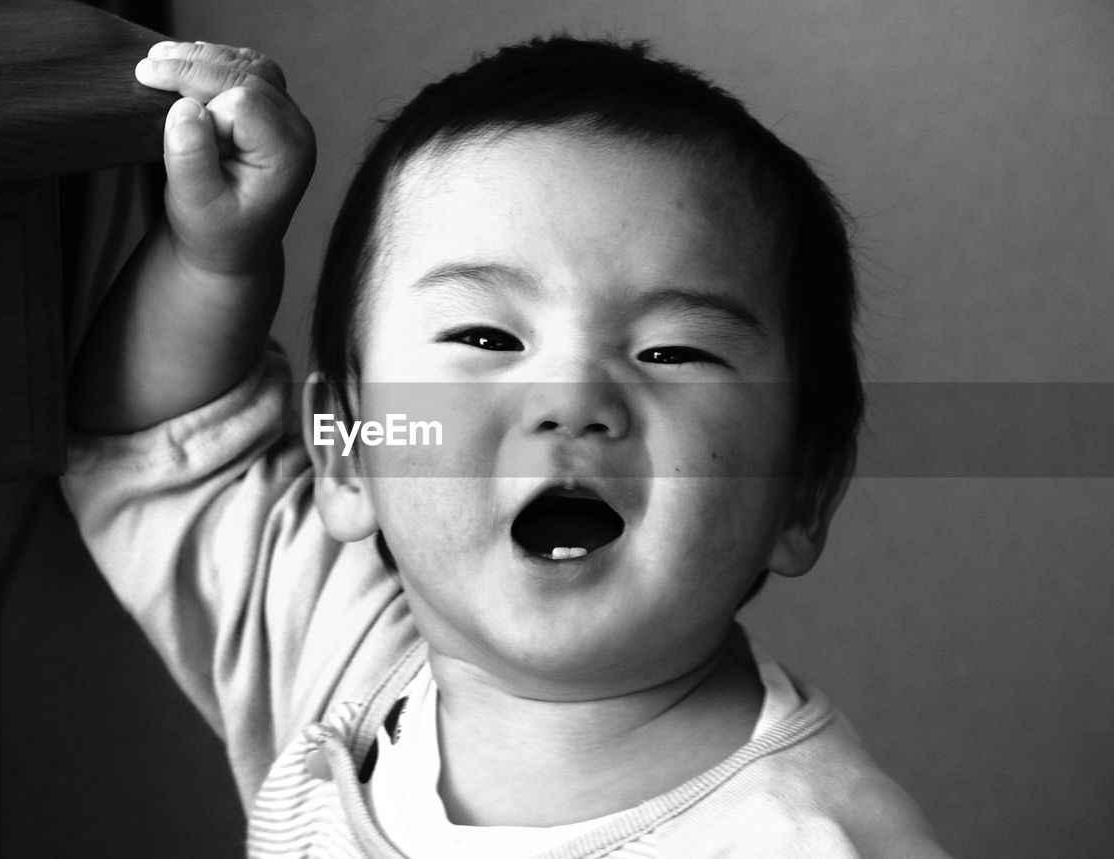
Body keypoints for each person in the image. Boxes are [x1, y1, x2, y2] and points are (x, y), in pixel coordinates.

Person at [63, 35, 950, 857]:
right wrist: (218, 258)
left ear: (802, 486)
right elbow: (163, 441)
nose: (573, 400)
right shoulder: (344, 655)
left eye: (672, 351)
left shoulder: (810, 842)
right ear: (346, 448)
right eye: (487, 338)